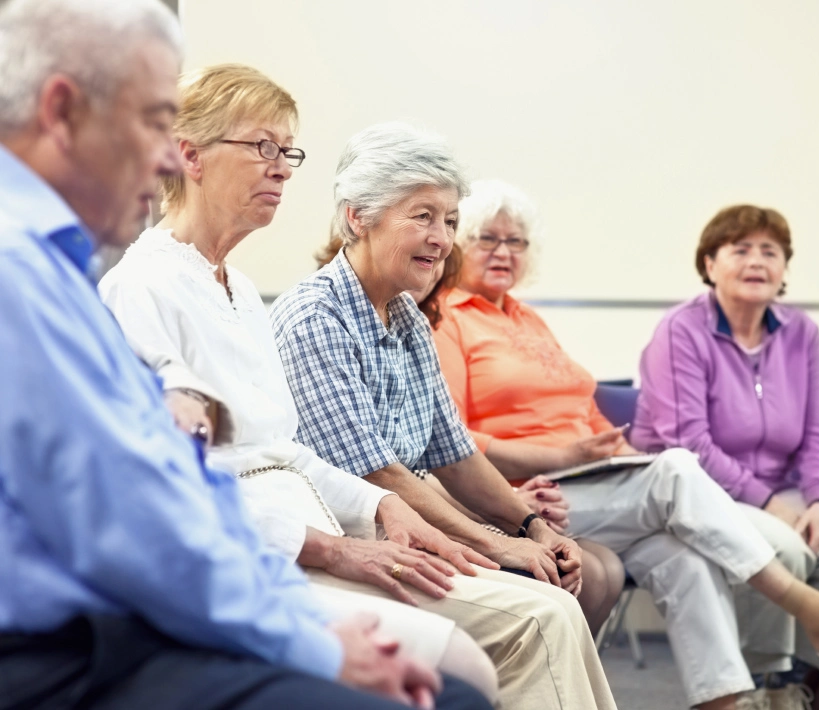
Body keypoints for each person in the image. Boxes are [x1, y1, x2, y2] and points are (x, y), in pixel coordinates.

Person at [0, 2, 490, 710]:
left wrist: (377, 506)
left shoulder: (72, 269)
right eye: (152, 121)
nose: (168, 154)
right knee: (452, 689)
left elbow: (231, 463)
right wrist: (304, 628)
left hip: (186, 576)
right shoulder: (55, 274)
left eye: (286, 152)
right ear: (61, 111)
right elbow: (134, 518)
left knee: (469, 666)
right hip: (76, 638)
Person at [431, 180, 819, 710]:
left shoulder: (526, 318)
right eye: (487, 239)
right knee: (677, 467)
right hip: (521, 495)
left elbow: (583, 415)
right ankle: (815, 612)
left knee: (684, 557)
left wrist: (618, 452)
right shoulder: (447, 319)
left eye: (517, 242)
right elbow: (455, 442)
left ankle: (727, 704)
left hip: (588, 486)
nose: (503, 252)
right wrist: (564, 460)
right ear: (459, 244)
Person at [271, 122, 617, 709]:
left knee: (567, 580)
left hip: (413, 522)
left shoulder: (404, 314)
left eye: (451, 221)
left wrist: (531, 524)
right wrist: (499, 545)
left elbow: (455, 452)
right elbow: (378, 475)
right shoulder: (314, 317)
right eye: (423, 216)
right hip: (356, 540)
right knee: (548, 611)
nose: (441, 238)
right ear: (358, 217)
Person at [632, 204, 819, 701]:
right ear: (709, 264)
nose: (757, 261)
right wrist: (771, 503)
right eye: (740, 249)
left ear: (784, 268)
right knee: (783, 547)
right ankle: (765, 680)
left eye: (770, 251)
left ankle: (815, 679)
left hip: (788, 489)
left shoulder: (802, 332)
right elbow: (689, 442)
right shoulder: (680, 330)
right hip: (699, 491)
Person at [359, 241, 627, 636]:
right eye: (488, 240)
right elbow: (390, 474)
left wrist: (526, 519)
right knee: (573, 578)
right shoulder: (346, 319)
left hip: (477, 494)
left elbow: (451, 453)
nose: (434, 256)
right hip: (392, 519)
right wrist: (512, 520)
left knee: (607, 567)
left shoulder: (412, 324)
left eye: (516, 242)